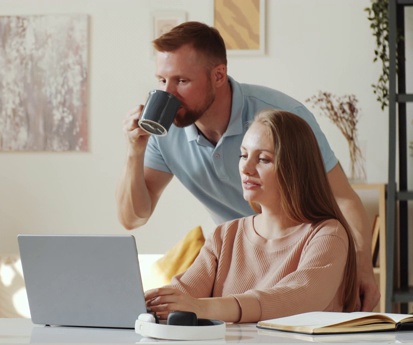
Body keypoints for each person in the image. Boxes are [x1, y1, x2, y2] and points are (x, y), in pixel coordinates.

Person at [116, 21, 379, 311]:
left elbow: (342, 198)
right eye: (162, 81)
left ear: (218, 75)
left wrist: (362, 266)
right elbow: (133, 218)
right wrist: (134, 151)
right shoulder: (222, 237)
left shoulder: (283, 118)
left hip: (293, 252)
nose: (168, 93)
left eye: (181, 81)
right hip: (240, 259)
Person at [145, 110, 357, 322]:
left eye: (263, 159)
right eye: (243, 155)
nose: (246, 168)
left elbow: (299, 298)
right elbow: (183, 295)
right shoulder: (225, 235)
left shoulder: (327, 235)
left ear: (295, 168)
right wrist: (148, 303)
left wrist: (203, 308)